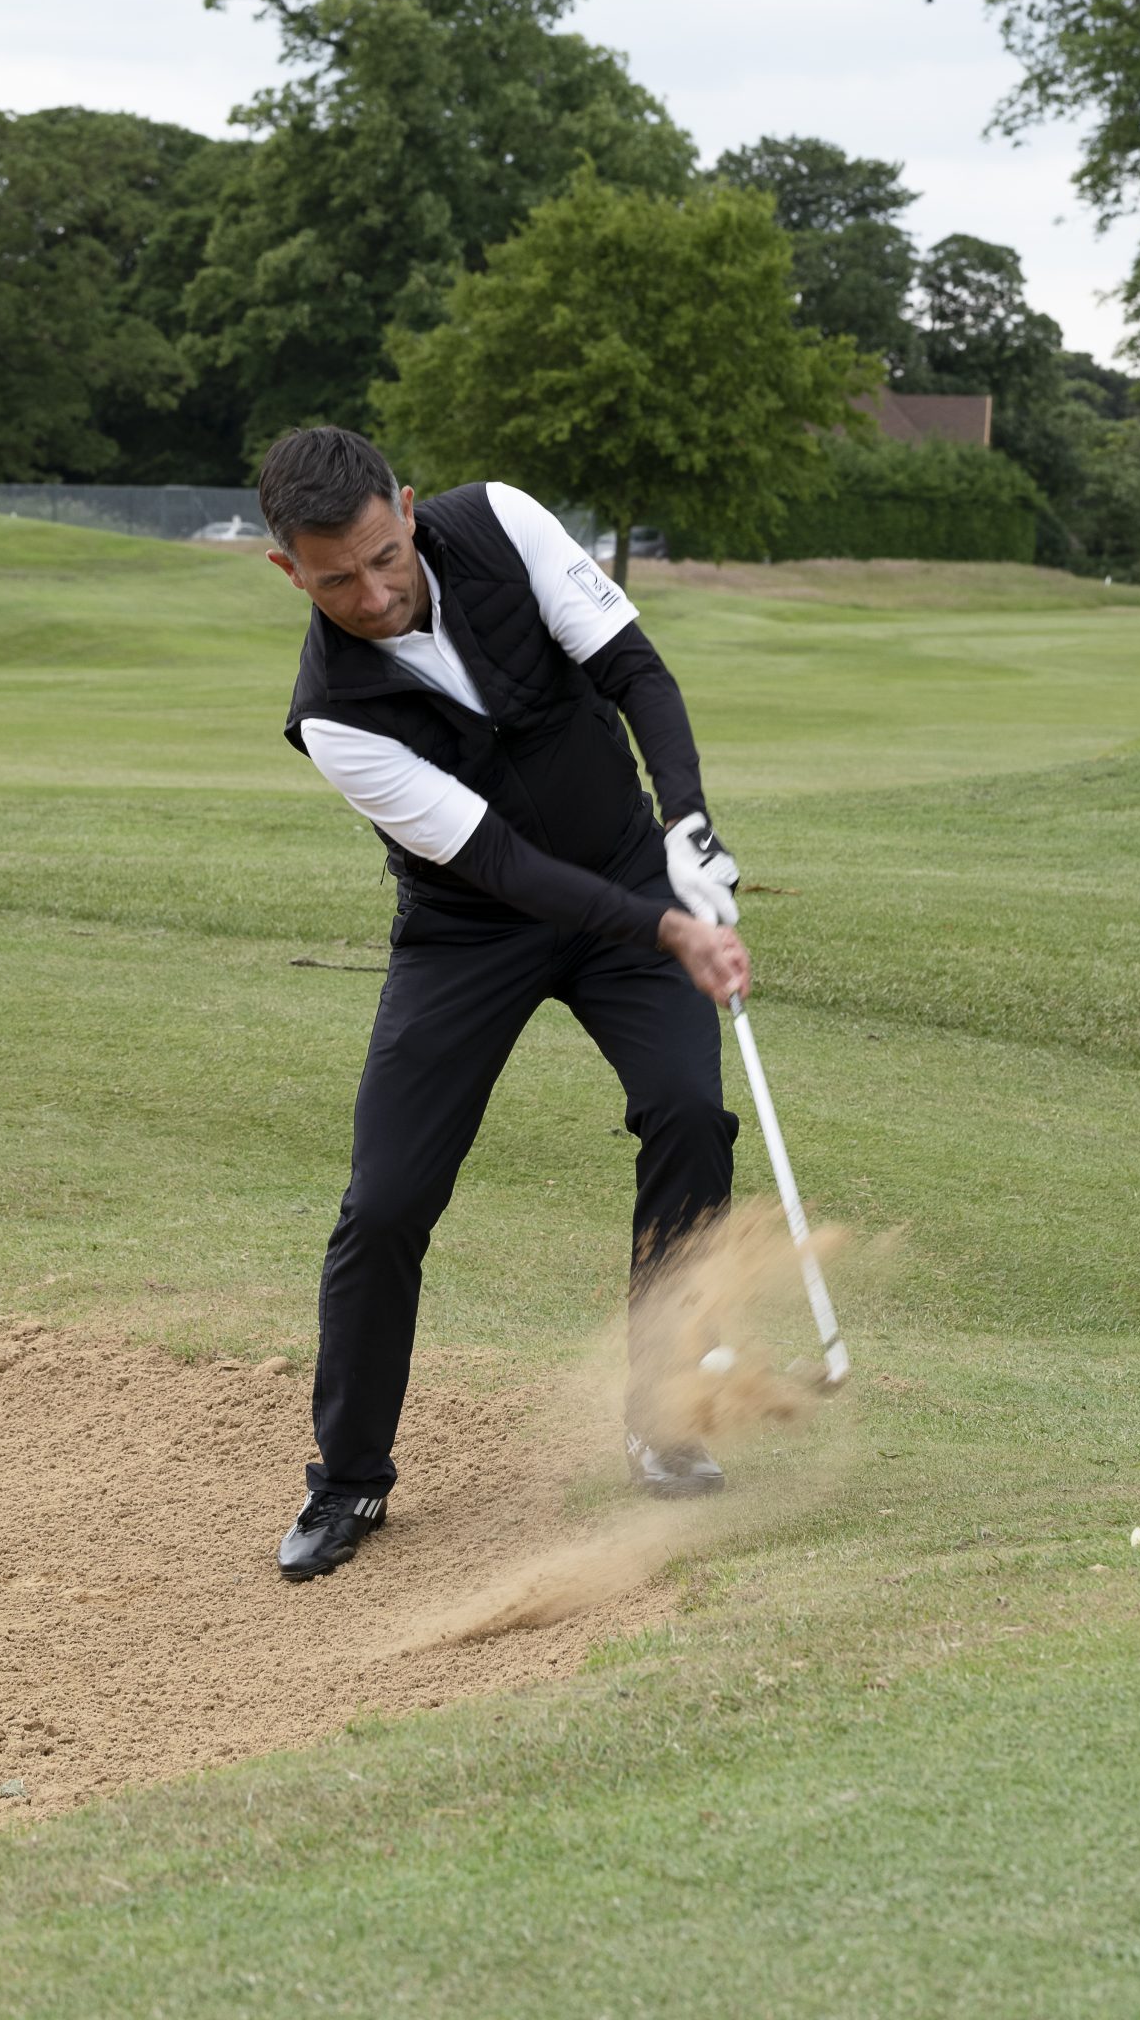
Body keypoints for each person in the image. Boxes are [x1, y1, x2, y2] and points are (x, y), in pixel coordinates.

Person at [258, 427, 750, 1583]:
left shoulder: (503, 522)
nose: (374, 594)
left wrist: (686, 825)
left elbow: (635, 672)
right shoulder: (333, 714)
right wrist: (672, 926)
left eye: (386, 555)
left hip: (632, 871)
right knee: (385, 1203)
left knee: (690, 1114)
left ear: (410, 509)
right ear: (288, 571)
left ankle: (664, 1416)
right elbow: (503, 868)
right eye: (338, 579)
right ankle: (351, 1478)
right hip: (469, 930)